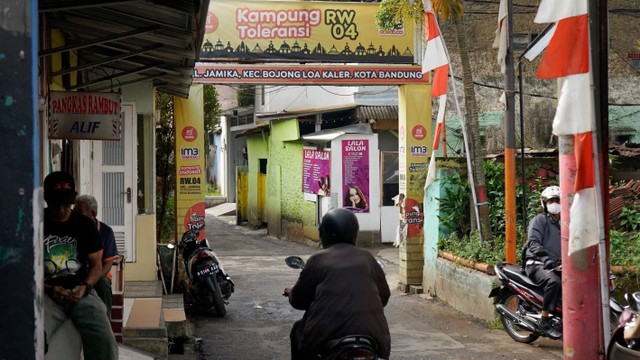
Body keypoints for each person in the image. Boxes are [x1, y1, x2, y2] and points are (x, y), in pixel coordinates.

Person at [284, 208, 391, 360]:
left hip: (326, 338)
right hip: (373, 339)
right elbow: (384, 297)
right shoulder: (367, 258)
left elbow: (299, 301)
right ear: (354, 233)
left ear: (324, 234)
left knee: (297, 331)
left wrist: (291, 293)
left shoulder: (318, 260)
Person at [43, 171, 118, 359]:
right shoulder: (34, 222)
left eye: (66, 204)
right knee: (32, 336)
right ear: (47, 199)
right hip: (44, 294)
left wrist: (85, 286)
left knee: (105, 340)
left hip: (81, 293)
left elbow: (96, 266)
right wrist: (48, 288)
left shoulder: (85, 225)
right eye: (56, 204)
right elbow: (23, 269)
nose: (62, 210)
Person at [523, 185, 562, 339]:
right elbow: (533, 243)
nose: (555, 203)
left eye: (557, 200)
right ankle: (544, 319)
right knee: (554, 282)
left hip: (557, 263)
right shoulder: (539, 220)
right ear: (544, 203)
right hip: (536, 263)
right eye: (551, 200)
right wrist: (547, 260)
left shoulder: (565, 222)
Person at [74, 194, 119, 319]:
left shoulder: (105, 231)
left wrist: (92, 278)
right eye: (74, 211)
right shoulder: (72, 229)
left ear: (92, 213)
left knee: (103, 282)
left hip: (98, 274)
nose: (75, 215)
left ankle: (106, 321)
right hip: (76, 273)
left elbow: (108, 263)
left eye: (79, 211)